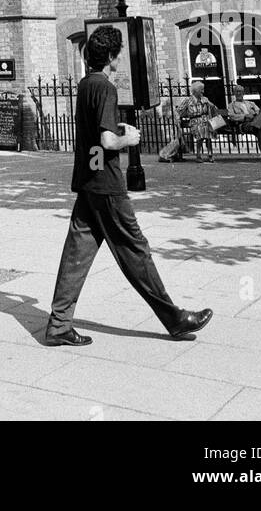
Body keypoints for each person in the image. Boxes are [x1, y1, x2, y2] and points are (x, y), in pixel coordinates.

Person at [46, 25, 213, 348]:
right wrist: (128, 139)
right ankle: (174, 318)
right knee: (135, 250)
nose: (119, 59)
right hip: (107, 185)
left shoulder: (85, 85)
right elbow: (107, 140)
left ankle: (58, 324)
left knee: (76, 254)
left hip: (88, 181)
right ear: (110, 57)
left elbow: (93, 139)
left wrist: (112, 136)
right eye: (118, 54)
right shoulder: (106, 88)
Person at [224, 84, 261, 162]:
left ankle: (255, 124)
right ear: (234, 94)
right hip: (244, 124)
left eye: (240, 91)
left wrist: (253, 115)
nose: (238, 93)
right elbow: (232, 117)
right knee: (260, 128)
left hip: (254, 121)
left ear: (243, 93)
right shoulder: (231, 105)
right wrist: (245, 116)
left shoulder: (251, 103)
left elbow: (258, 111)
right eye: (236, 92)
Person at [177, 78, 216, 162]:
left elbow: (214, 108)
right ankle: (198, 155)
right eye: (201, 90)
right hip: (195, 121)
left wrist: (209, 103)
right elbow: (179, 110)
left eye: (203, 90)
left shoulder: (204, 99)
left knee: (207, 133)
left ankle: (210, 154)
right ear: (196, 91)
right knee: (201, 131)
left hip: (206, 120)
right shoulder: (188, 100)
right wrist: (187, 114)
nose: (203, 92)